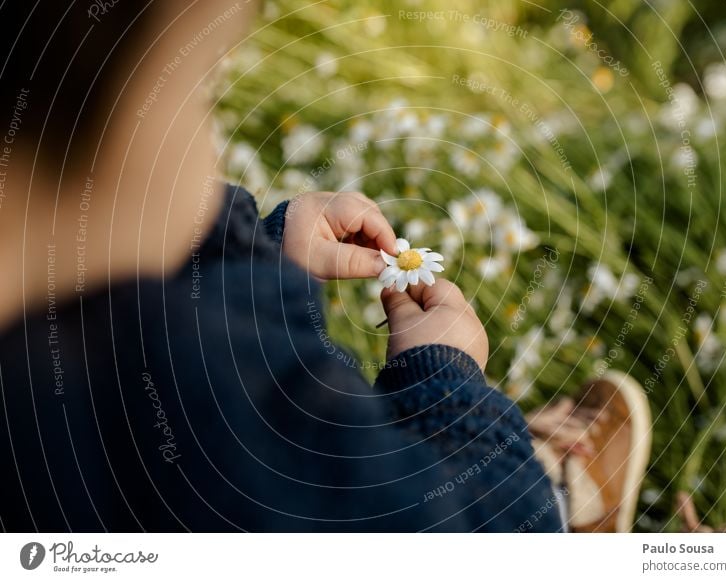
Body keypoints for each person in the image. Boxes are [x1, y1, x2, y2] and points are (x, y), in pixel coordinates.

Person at [0, 2, 650, 532]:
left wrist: (263, 249)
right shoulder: (188, 388)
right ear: (74, 122)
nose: (213, 147)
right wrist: (449, 388)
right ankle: (557, 501)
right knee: (488, 497)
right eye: (203, 88)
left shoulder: (54, 336)